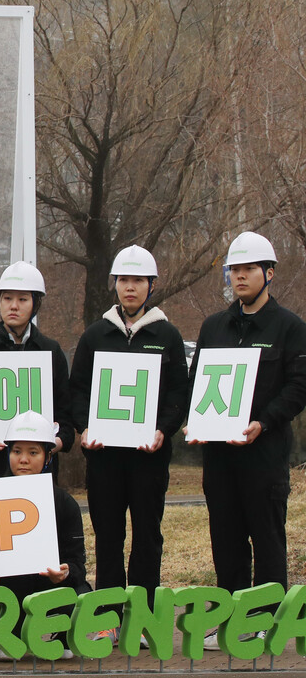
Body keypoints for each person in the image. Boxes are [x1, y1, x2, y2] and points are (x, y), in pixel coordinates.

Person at [188, 232, 306, 651]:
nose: (239, 276)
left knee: (267, 536)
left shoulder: (289, 327)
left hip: (264, 455)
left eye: (248, 269)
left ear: (268, 273)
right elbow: (197, 383)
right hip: (219, 457)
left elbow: (298, 386)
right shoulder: (213, 327)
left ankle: (265, 618)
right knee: (226, 537)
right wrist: (194, 422)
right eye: (234, 270)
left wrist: (264, 422)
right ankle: (228, 615)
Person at [69, 245, 189, 637]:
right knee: (108, 536)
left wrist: (163, 429)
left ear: (151, 285)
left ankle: (142, 616)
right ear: (115, 285)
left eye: (138, 280)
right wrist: (84, 428)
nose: (130, 287)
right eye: (123, 280)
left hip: (148, 456)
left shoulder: (167, 335)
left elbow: (179, 392)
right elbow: (77, 390)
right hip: (105, 457)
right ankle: (108, 616)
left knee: (147, 537)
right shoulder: (95, 334)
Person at [0, 412, 89, 661]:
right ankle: (8, 635)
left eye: (33, 452)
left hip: (49, 585)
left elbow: (77, 564)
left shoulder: (65, 503)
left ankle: (63, 637)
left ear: (48, 457)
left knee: (80, 591)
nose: (23, 460)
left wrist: (65, 572)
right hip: (7, 587)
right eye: (17, 451)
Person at [0, 262, 73, 493]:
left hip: (40, 467)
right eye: (7, 298)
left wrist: (57, 442)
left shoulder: (51, 351)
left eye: (22, 299)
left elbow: (65, 410)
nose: (13, 306)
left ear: (35, 304)